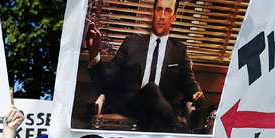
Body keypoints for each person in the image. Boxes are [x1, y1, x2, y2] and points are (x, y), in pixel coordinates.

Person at [85, 0, 204, 131]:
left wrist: (196, 93)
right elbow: (105, 82)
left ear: (174, 16)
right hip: (132, 105)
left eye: (168, 10)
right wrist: (94, 52)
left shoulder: (179, 51)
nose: (162, 16)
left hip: (159, 112)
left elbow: (189, 82)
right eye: (159, 9)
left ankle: (170, 124)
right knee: (152, 88)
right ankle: (177, 127)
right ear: (153, 13)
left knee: (154, 108)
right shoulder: (130, 44)